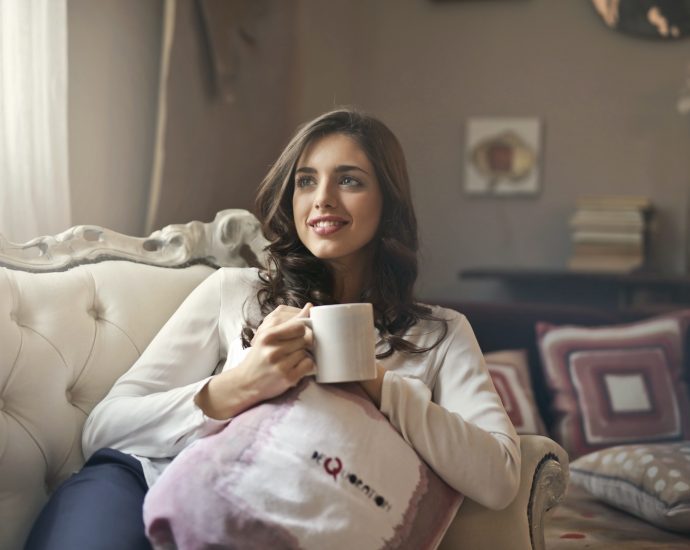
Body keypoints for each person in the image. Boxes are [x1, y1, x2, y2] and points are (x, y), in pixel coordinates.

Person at [25, 108, 520, 550]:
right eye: (306, 181)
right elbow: (104, 428)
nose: (322, 199)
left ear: (387, 202)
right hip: (144, 481)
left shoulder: (441, 334)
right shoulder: (235, 291)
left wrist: (377, 384)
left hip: (284, 523)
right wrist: (238, 387)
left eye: (349, 180)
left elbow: (499, 476)